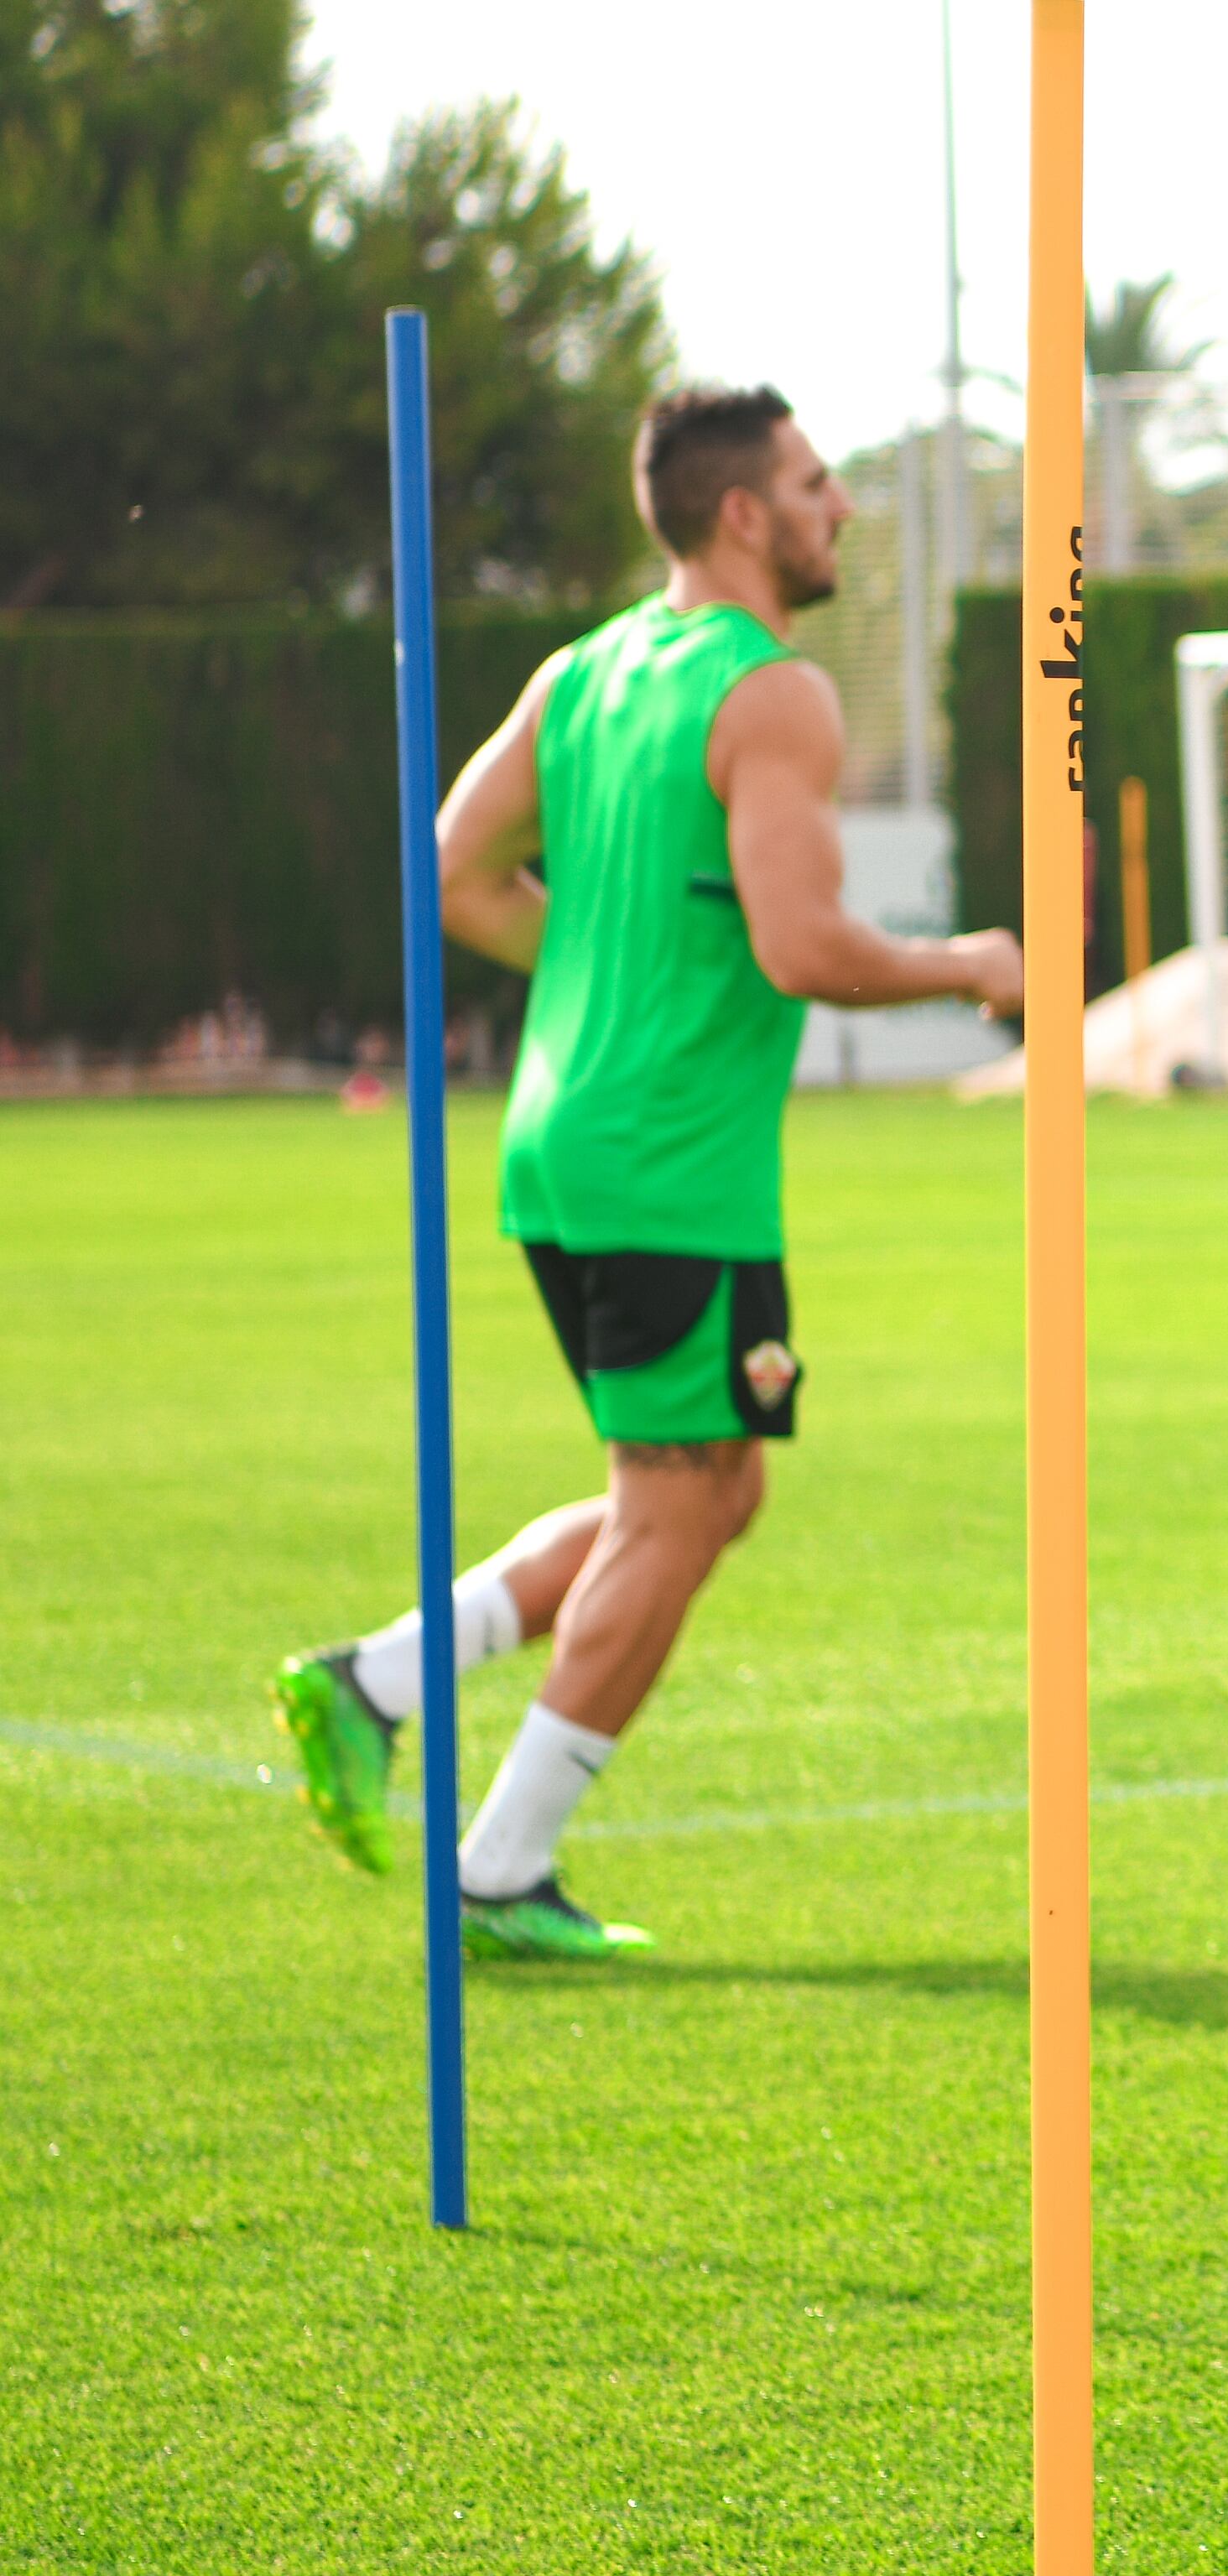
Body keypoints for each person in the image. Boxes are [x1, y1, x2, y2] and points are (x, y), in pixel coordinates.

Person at [268, 385, 1022, 1954]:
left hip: (564, 1137)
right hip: (672, 1161)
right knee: (679, 1509)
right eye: (820, 485)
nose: (843, 511)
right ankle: (495, 1865)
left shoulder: (585, 673)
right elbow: (805, 947)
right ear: (743, 514)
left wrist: (599, 973)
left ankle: (379, 1681)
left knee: (701, 1487)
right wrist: (976, 966)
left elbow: (454, 869)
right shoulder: (774, 693)